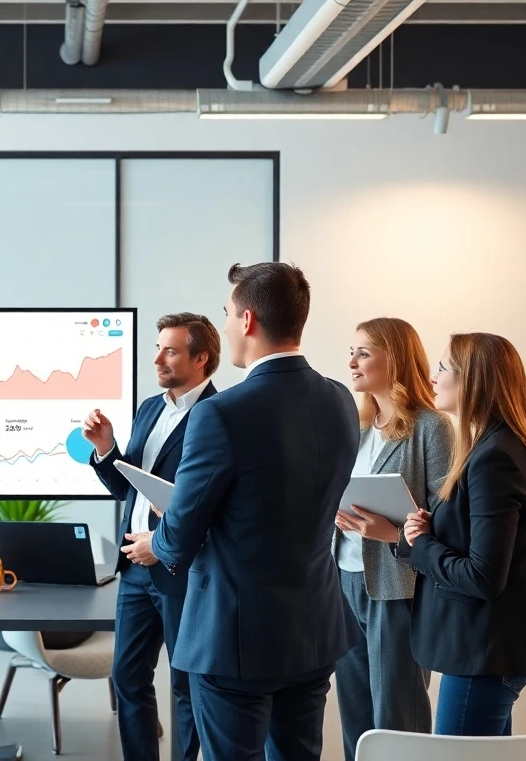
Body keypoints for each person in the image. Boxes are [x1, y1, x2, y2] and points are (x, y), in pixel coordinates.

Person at [124, 262, 362, 761]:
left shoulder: (221, 412)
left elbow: (181, 534)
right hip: (312, 628)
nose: (228, 325)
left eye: (228, 313)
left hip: (235, 638)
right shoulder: (340, 399)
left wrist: (157, 541)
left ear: (248, 320)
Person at [82, 312, 221, 761]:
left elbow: (210, 504)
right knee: (128, 678)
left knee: (185, 683)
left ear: (201, 358)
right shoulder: (149, 408)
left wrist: (162, 540)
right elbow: (131, 488)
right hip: (134, 571)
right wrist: (107, 449)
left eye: (171, 350)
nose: (157, 357)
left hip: (181, 569)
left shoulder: (218, 415)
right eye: (158, 347)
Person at [403, 332, 526, 736]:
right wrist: (430, 530)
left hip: (485, 653)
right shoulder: (499, 446)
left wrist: (420, 545)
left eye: (441, 368)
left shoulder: (494, 458)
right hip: (492, 649)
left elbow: (484, 577)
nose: (432, 377)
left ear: (473, 379)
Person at [333, 318, 452, 761]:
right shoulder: (359, 426)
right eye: (352, 351)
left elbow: (448, 517)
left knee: (397, 716)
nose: (351, 362)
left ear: (394, 359)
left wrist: (392, 533)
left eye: (363, 352)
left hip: (397, 586)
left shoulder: (431, 427)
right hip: (345, 579)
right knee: (355, 715)